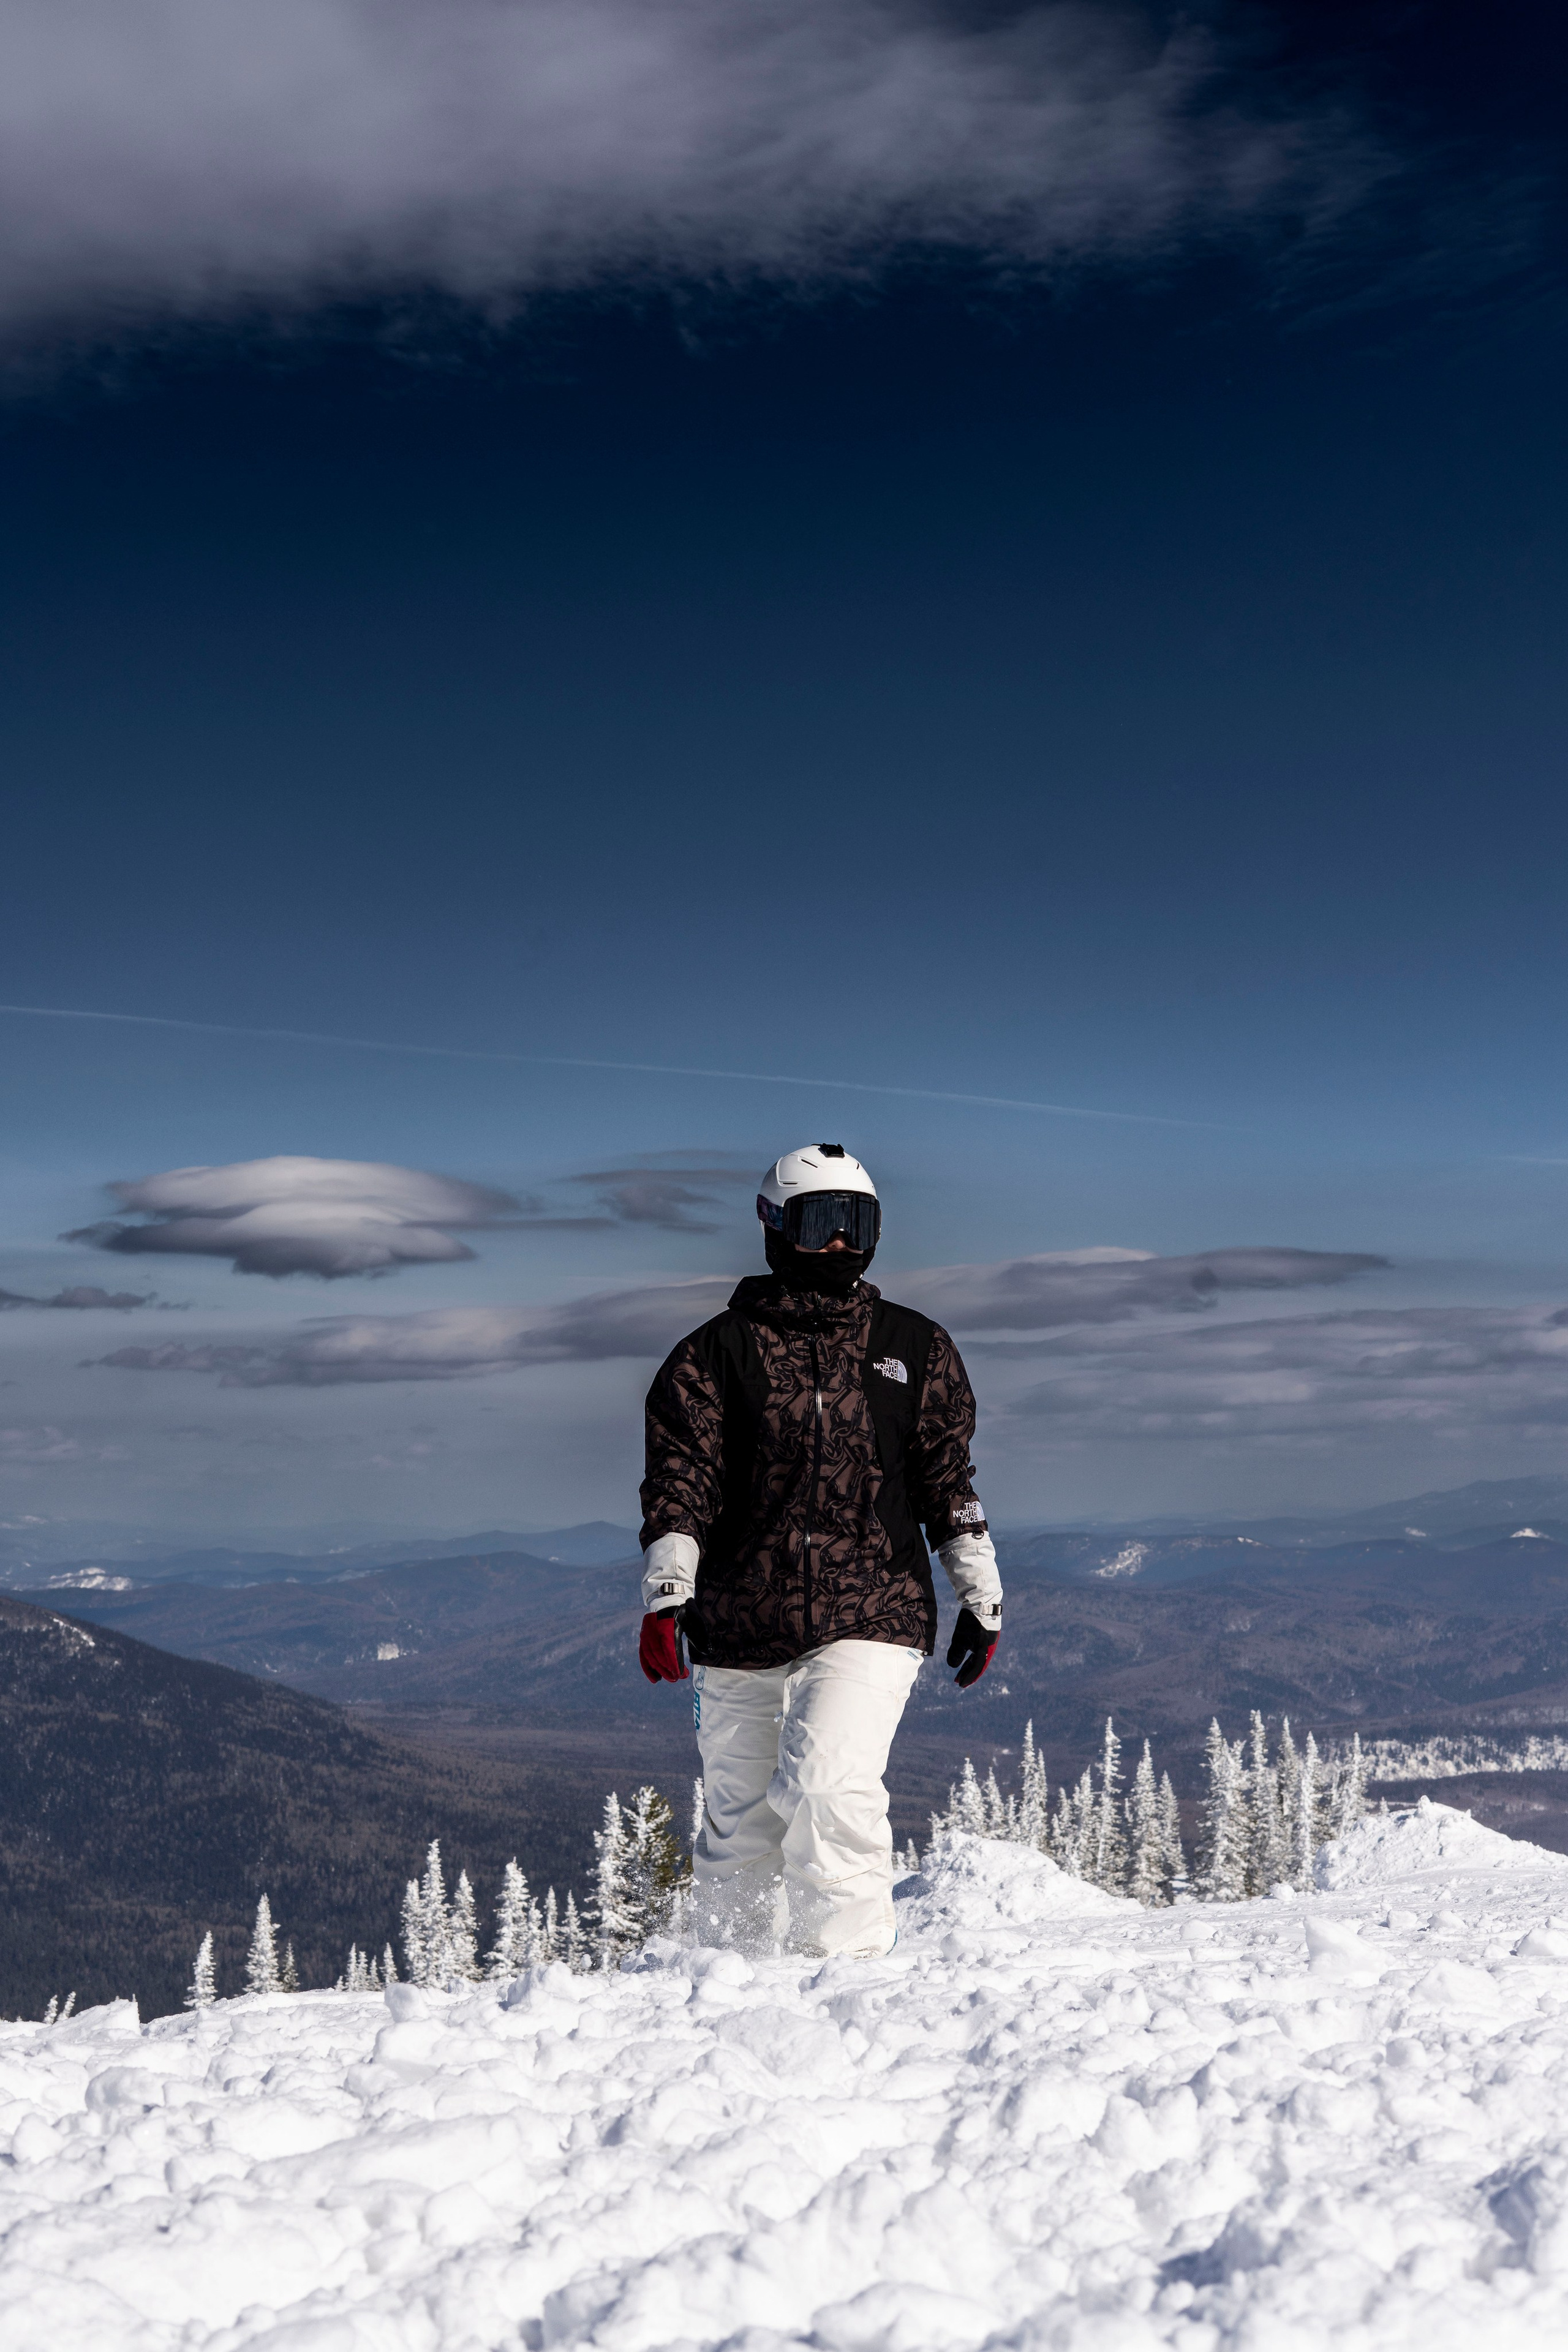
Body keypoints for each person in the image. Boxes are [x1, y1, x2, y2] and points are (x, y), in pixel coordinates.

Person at [637, 1143, 1003, 1958]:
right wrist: (668, 1595)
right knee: (739, 1825)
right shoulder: (713, 1355)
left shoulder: (916, 1346)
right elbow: (680, 1481)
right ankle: (730, 1995)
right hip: (737, 1619)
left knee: (827, 1790)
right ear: (774, 1228)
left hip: (874, 1604)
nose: (840, 1244)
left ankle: (845, 1987)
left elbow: (947, 1477)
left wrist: (981, 1593)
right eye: (820, 1222)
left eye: (856, 1223)